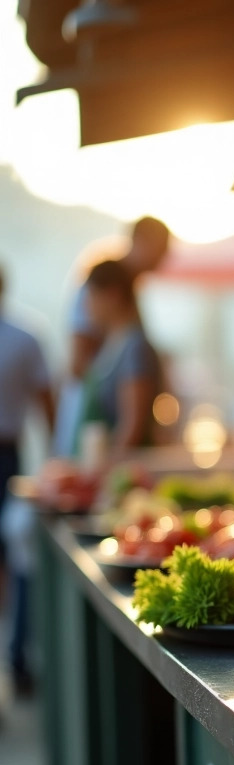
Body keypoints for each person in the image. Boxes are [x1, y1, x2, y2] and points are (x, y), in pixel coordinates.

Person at [55, 217, 170, 457]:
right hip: (94, 432)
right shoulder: (103, 288)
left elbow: (132, 423)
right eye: (161, 249)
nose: (164, 258)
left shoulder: (130, 336)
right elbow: (77, 366)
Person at [0, 265, 55, 692]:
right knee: (17, 561)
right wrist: (56, 458)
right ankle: (17, 658)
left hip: (9, 455)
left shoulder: (25, 337)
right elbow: (47, 409)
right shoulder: (25, 337)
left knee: (18, 558)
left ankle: (17, 657)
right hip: (7, 455)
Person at [77, 260, 163, 455]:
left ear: (112, 295)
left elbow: (132, 427)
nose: (86, 306)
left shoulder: (134, 347)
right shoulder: (111, 343)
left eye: (91, 296)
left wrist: (104, 469)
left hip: (126, 471)